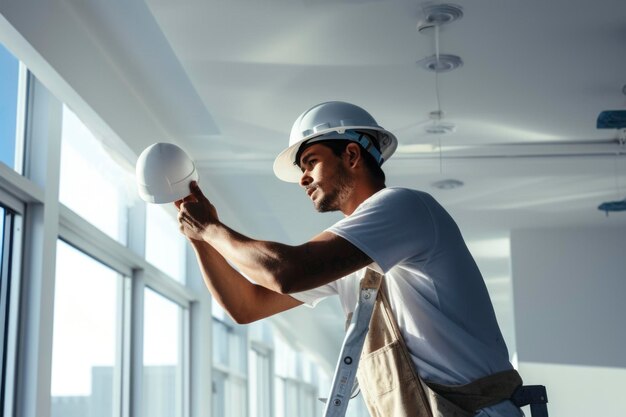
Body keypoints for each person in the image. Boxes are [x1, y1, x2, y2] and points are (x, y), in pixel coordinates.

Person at [176, 101, 524, 417]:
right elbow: (247, 305)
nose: (303, 178)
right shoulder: (352, 258)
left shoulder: (403, 207)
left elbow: (286, 271)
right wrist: (200, 238)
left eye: (311, 161)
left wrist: (211, 229)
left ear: (352, 155)